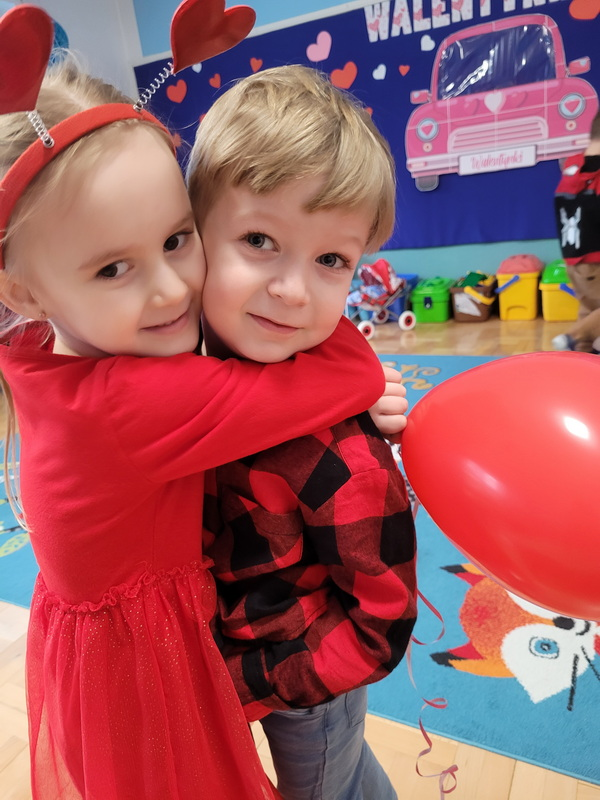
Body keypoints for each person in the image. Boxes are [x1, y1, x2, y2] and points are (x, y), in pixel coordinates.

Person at [0, 54, 391, 800]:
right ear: (23, 290)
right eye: (113, 268)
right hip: (148, 664)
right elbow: (351, 373)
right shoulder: (132, 401)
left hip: (102, 645)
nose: (173, 288)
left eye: (178, 240)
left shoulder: (42, 349)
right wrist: (364, 383)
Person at [187, 65, 418, 800]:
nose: (292, 290)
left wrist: (265, 682)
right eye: (259, 238)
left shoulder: (338, 455)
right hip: (228, 654)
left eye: (331, 261)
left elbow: (382, 621)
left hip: (305, 687)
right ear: (190, 237)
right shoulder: (175, 363)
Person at [553, 109, 600, 351]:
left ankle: (581, 356)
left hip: (575, 262)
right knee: (593, 319)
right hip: (596, 260)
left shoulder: (573, 168)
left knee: (590, 311)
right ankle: (572, 337)